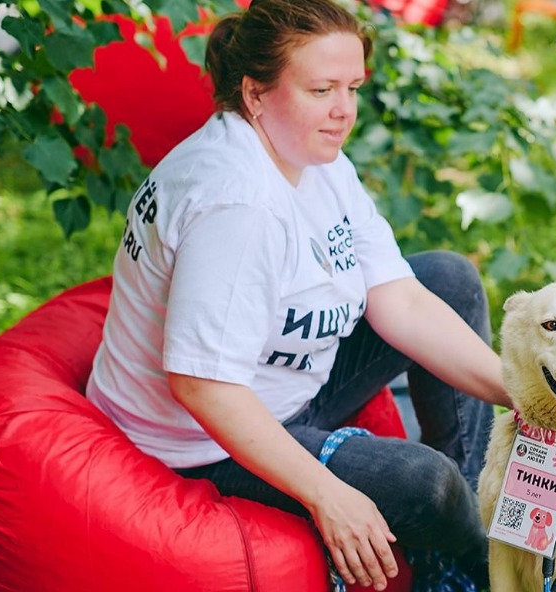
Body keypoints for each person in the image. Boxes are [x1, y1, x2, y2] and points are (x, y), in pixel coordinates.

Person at [85, 0, 512, 589]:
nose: (344, 112)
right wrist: (326, 493)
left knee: (447, 277)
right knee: (425, 482)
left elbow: (401, 300)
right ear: (255, 93)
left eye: (353, 87)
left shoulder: (313, 155)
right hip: (202, 440)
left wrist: (525, 394)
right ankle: (490, 569)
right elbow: (202, 386)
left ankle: (482, 509)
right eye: (321, 90)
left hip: (280, 380)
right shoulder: (237, 204)